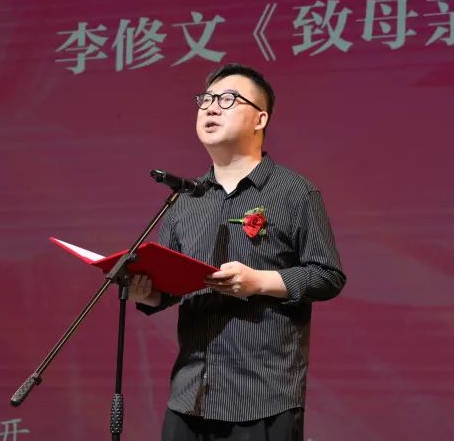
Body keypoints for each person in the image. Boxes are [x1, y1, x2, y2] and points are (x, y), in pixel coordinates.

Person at [130, 62, 346, 441]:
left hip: (262, 397)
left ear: (260, 119)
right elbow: (171, 283)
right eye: (206, 99)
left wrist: (259, 281)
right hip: (190, 395)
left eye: (227, 99)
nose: (211, 108)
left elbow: (328, 275)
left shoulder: (294, 192)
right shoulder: (185, 199)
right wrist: (146, 293)